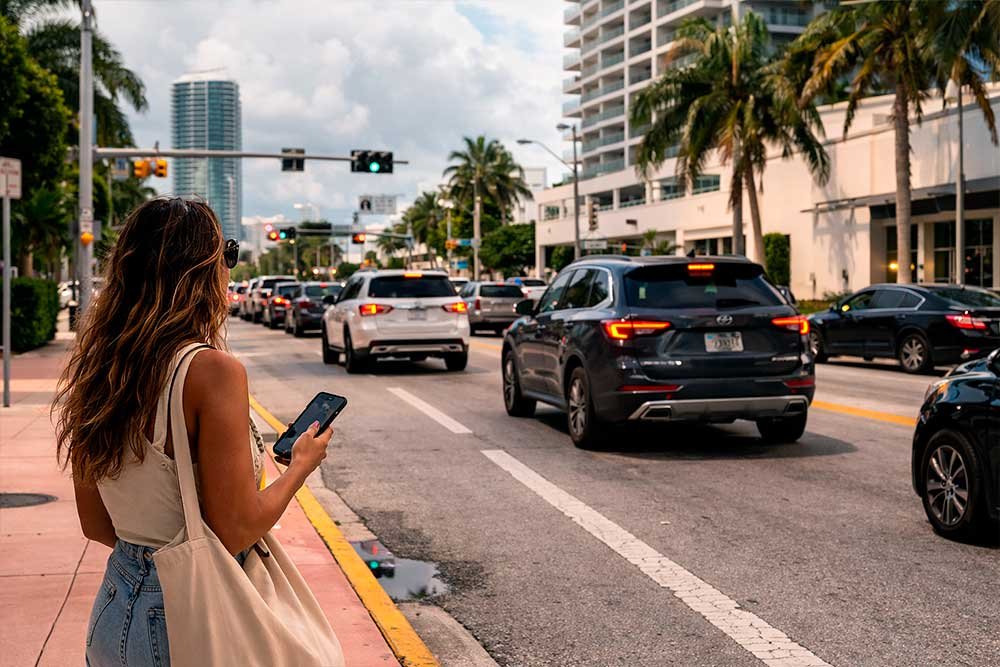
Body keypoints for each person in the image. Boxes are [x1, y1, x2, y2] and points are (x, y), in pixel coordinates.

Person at [54, 197, 333, 666]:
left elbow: (96, 524)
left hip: (114, 606)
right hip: (184, 618)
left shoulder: (99, 370)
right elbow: (236, 528)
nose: (230, 266)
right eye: (228, 253)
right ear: (204, 270)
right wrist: (300, 468)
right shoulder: (211, 372)